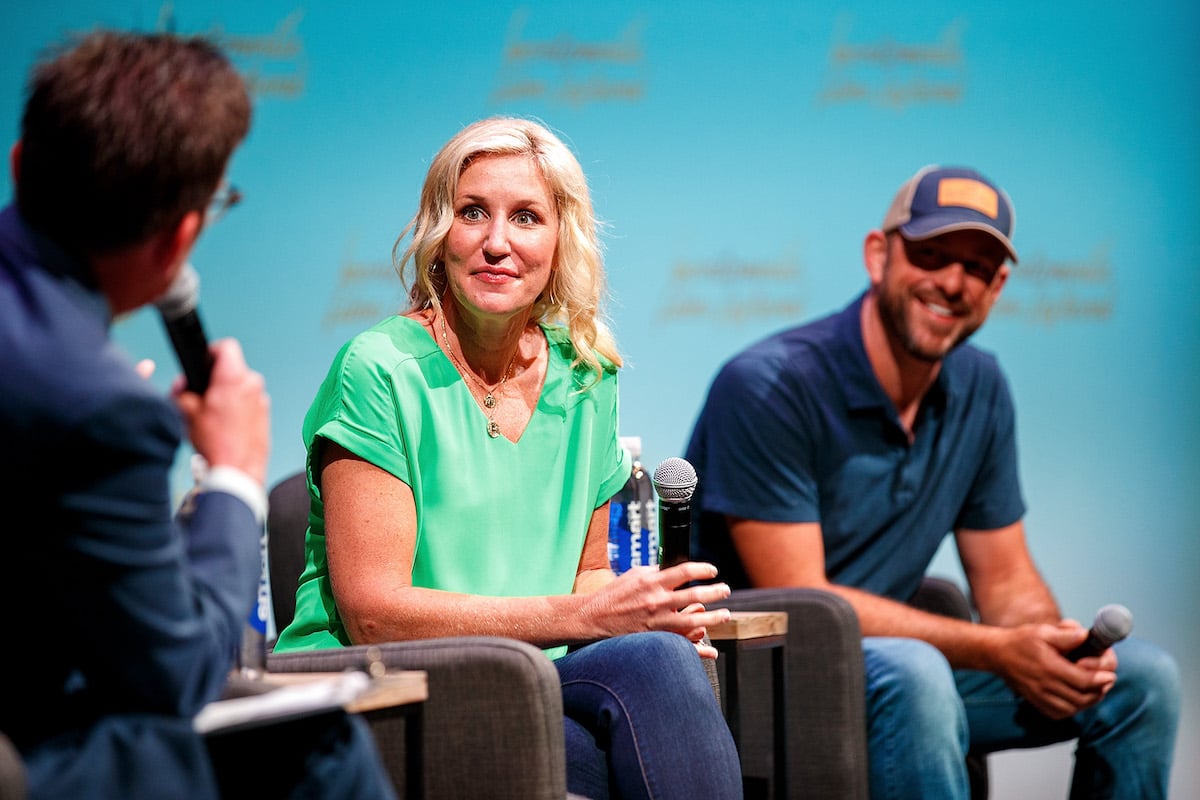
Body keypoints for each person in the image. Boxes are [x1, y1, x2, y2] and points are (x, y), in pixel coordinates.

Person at [273, 116, 744, 800]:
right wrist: (585, 618)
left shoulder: (587, 375)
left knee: (660, 662)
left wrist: (641, 614)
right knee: (609, 748)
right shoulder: (379, 369)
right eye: (472, 213)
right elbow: (377, 612)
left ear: (560, 242)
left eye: (526, 217)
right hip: (381, 688)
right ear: (440, 235)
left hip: (530, 678)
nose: (498, 242)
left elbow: (587, 575)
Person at [685, 165, 1180, 799]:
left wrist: (1046, 642)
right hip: (759, 675)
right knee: (917, 673)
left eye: (977, 268)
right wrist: (999, 651)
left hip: (893, 667)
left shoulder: (982, 386)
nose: (952, 281)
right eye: (932, 255)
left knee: (1143, 679)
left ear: (998, 287)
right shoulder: (769, 385)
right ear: (878, 255)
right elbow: (802, 601)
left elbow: (1005, 580)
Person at [0, 31, 395, 799]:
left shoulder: (74, 391)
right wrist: (233, 477)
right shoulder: (95, 403)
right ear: (181, 235)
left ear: (19, 163)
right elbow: (179, 674)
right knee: (317, 747)